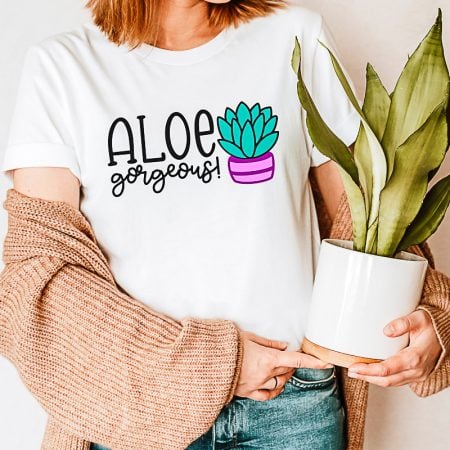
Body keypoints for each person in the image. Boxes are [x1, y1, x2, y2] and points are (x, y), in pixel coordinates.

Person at [0, 1, 445, 449]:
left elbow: (370, 215)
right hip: (137, 415)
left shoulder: (293, 36)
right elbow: (38, 277)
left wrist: (431, 318)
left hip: (291, 408)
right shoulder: (62, 67)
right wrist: (218, 364)